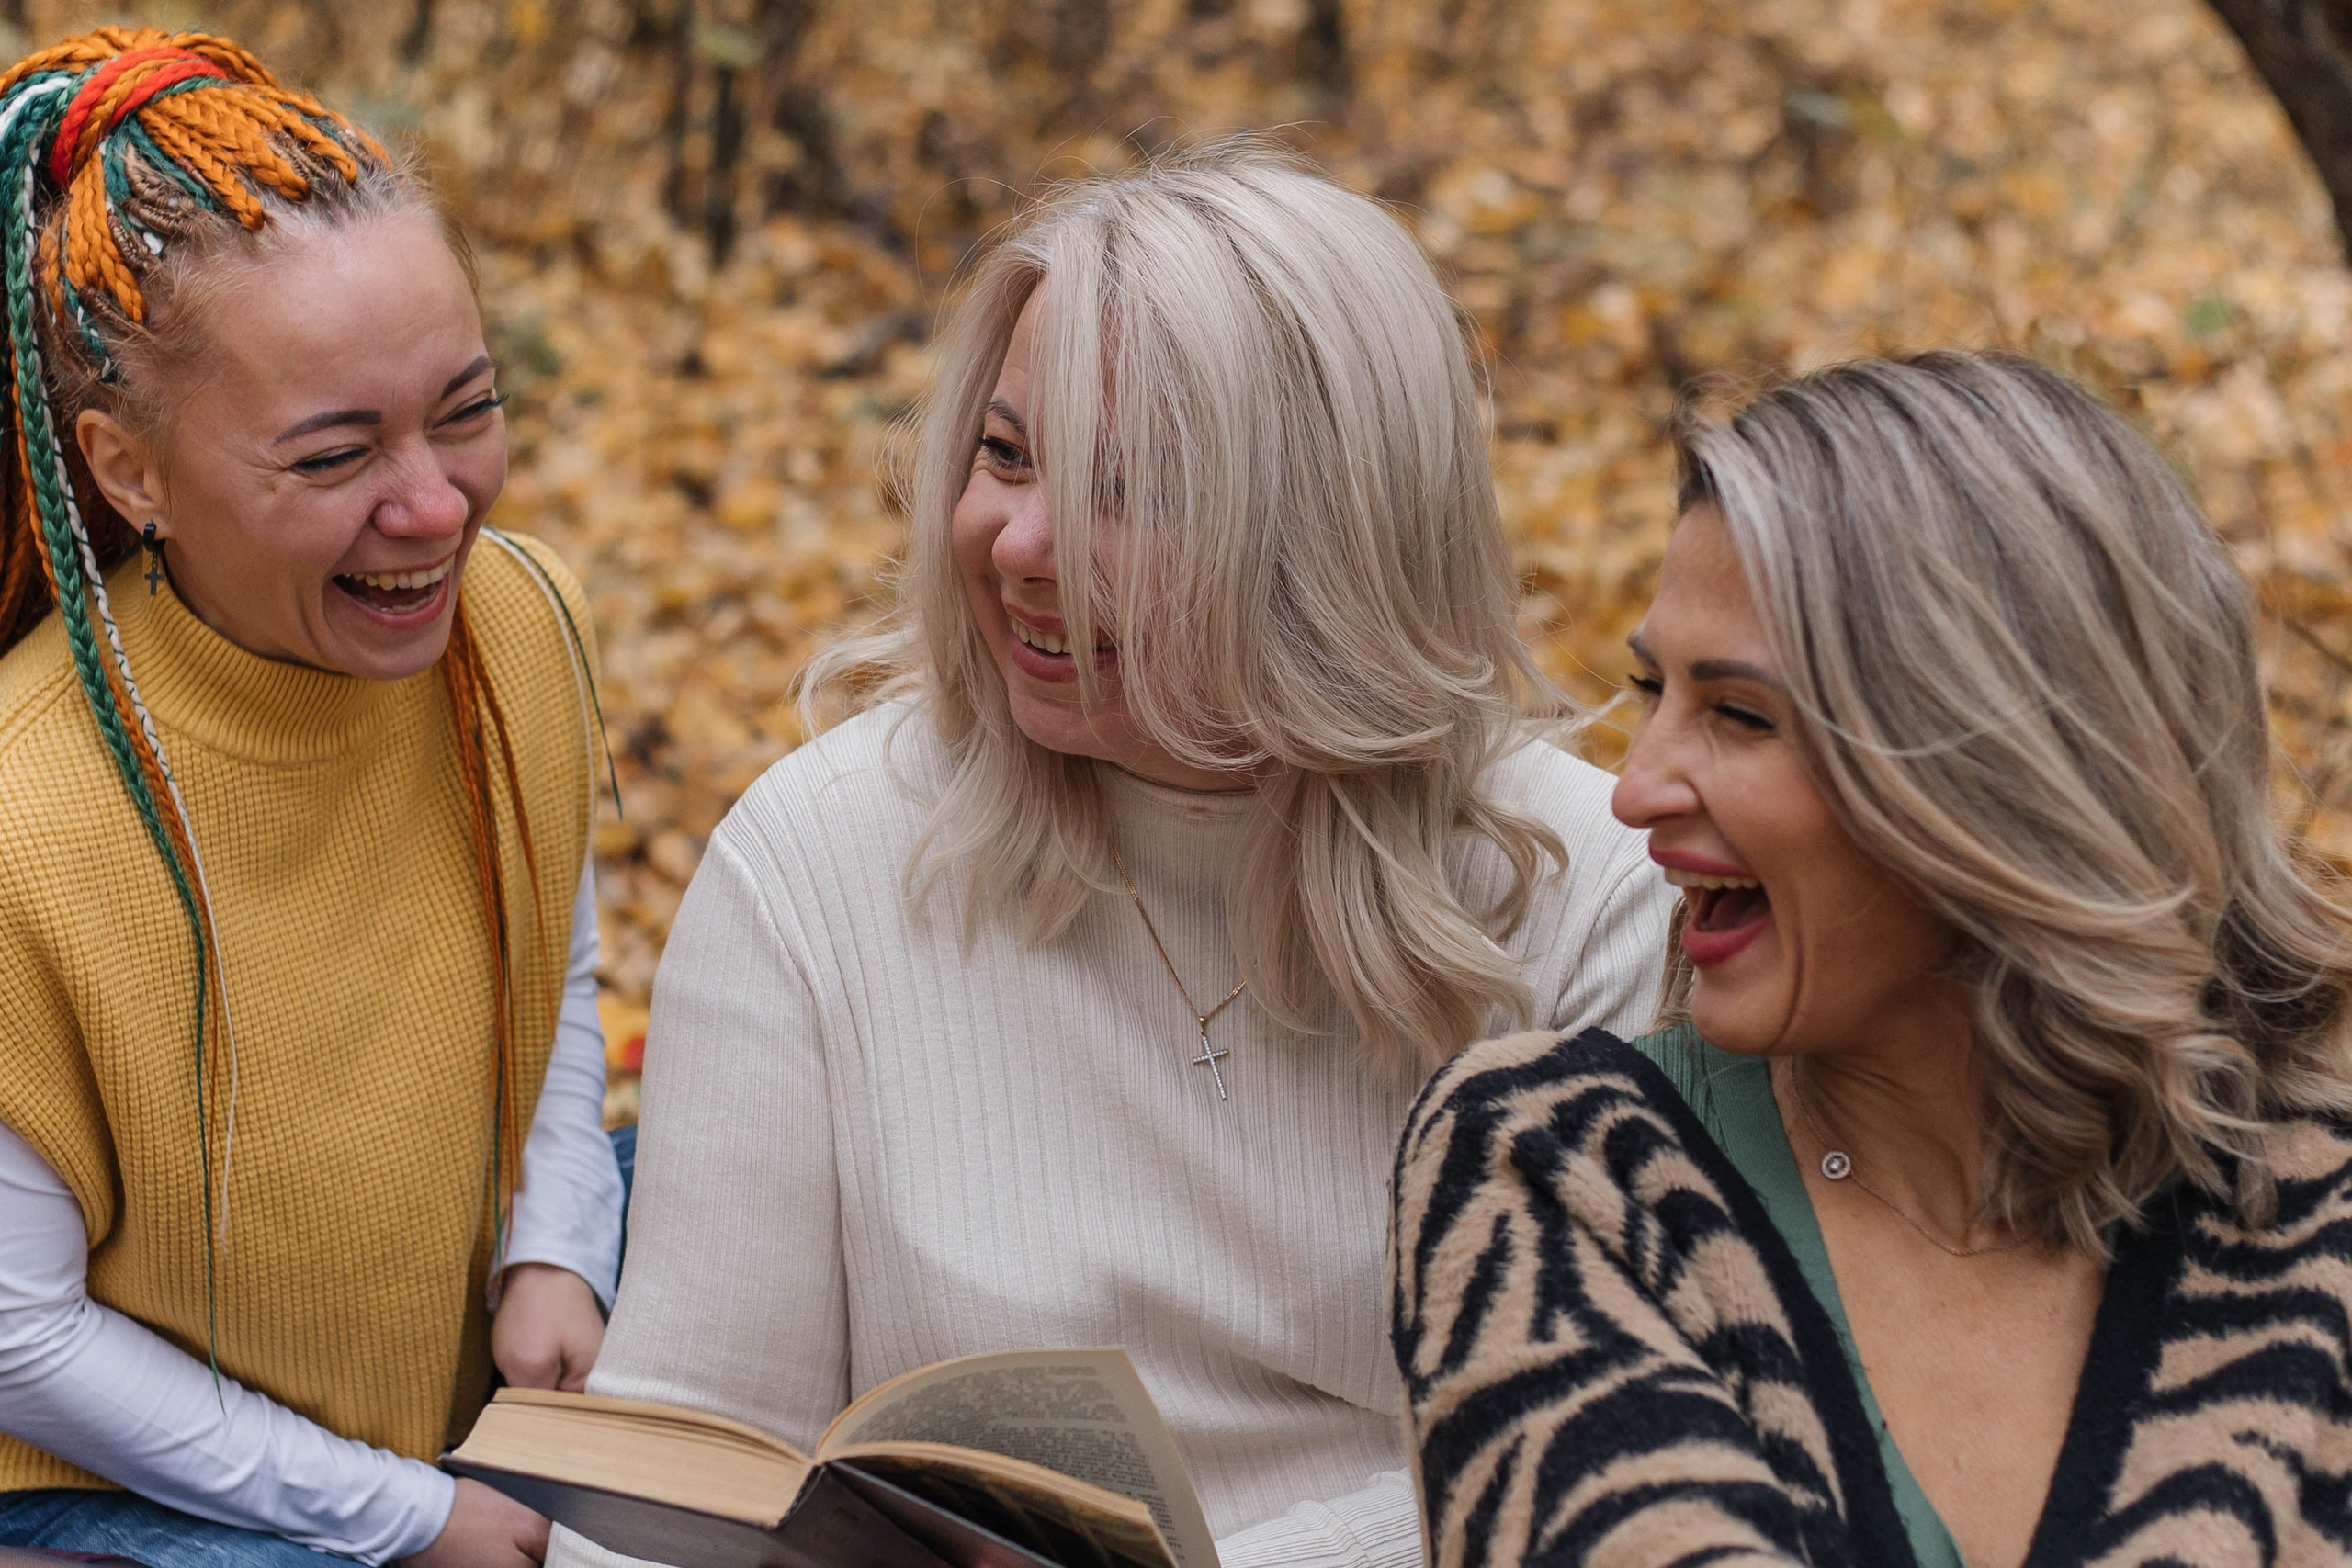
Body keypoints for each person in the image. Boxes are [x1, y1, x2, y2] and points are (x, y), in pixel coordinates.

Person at [546, 143, 1673, 1568]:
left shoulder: (1588, 896)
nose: (1021, 543)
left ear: (1330, 536)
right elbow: (686, 1467)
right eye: (1006, 455)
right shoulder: (817, 861)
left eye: (1126, 489)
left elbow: (1634, 1463)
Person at [1390, 352, 2352, 1568]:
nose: (1634, 790)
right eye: (1651, 692)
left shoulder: (2309, 1193)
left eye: (1739, 714)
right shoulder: (1557, 1168)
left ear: (2007, 770)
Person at [0, 28, 624, 1568]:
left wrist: (561, 1237)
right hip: (129, 1485)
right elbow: (19, 1335)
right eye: (337, 454)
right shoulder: (29, 820)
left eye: (465, 410)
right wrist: (413, 1519)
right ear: (129, 471)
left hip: (461, 1414)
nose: (436, 506)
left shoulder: (518, 624)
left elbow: (551, 961)